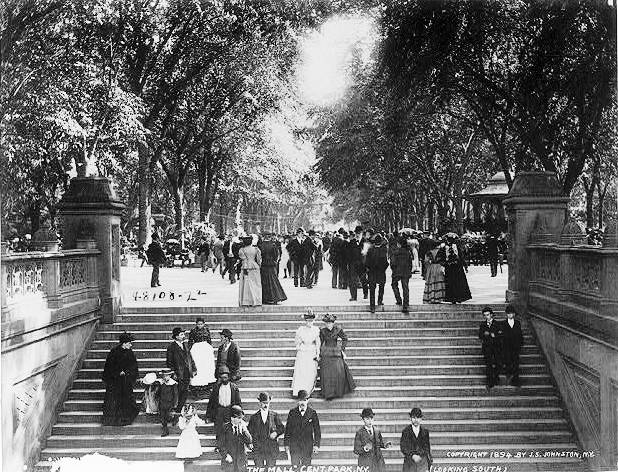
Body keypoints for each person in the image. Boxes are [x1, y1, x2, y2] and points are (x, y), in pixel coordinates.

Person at [101, 332, 139, 426]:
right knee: (114, 402)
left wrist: (128, 373)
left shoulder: (130, 353)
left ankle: (125, 419)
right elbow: (109, 367)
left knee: (127, 401)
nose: (131, 345)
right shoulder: (114, 352)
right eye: (129, 343)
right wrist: (118, 372)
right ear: (124, 343)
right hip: (115, 383)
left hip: (125, 382)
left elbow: (134, 366)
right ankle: (112, 421)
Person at [319, 313, 356, 399]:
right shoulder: (322, 331)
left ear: (333, 323)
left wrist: (342, 349)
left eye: (330, 323)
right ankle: (328, 393)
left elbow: (345, 338)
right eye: (327, 323)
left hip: (336, 352)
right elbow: (320, 342)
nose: (329, 325)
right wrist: (319, 352)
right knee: (327, 373)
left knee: (338, 371)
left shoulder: (337, 330)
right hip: (326, 352)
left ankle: (337, 392)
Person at [207, 366, 242, 447]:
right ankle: (219, 446)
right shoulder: (216, 387)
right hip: (220, 410)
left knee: (230, 429)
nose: (224, 379)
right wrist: (208, 415)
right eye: (222, 378)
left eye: (225, 377)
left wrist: (240, 413)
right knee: (219, 429)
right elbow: (211, 401)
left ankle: (229, 446)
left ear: (228, 377)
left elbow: (238, 400)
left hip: (230, 410)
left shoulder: (234, 387)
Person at [284, 390, 321, 466]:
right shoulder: (292, 412)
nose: (302, 402)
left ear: (308, 400)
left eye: (304, 400)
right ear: (298, 401)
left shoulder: (312, 413)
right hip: (294, 446)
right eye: (301, 400)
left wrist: (316, 445)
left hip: (307, 446)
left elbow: (317, 430)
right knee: (295, 467)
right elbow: (288, 429)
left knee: (306, 467)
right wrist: (286, 444)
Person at [248, 392, 285, 466]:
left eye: (267, 403)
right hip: (258, 448)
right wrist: (250, 442)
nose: (266, 405)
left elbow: (282, 428)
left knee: (271, 468)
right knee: (259, 468)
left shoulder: (274, 415)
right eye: (264, 403)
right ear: (260, 403)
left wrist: (276, 433)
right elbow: (249, 431)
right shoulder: (254, 417)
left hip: (271, 448)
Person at [166, 327, 196, 412]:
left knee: (185, 391)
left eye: (184, 334)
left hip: (186, 372)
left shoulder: (185, 345)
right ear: (176, 336)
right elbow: (169, 362)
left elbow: (190, 358)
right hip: (178, 373)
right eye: (181, 334)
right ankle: (176, 409)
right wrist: (173, 372)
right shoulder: (171, 347)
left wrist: (193, 369)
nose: (184, 336)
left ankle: (179, 408)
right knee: (178, 391)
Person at [291, 310, 321, 397]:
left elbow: (318, 343)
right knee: (302, 370)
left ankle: (308, 390)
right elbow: (297, 341)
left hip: (311, 351)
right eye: (308, 321)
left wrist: (318, 354)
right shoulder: (301, 329)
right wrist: (299, 347)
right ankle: (299, 390)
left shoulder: (316, 330)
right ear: (305, 321)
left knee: (310, 371)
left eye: (311, 321)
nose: (310, 322)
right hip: (303, 351)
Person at [353, 408, 391, 472]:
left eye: (371, 418)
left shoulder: (377, 431)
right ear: (363, 419)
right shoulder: (359, 433)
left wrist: (384, 445)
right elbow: (356, 450)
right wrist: (365, 448)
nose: (370, 421)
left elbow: (380, 443)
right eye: (367, 419)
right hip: (365, 463)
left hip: (378, 462)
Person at [219, 405, 253, 472]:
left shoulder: (242, 428)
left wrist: (244, 429)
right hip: (229, 460)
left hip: (241, 461)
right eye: (235, 417)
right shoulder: (225, 428)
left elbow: (249, 440)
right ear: (231, 418)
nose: (237, 420)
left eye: (239, 418)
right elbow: (221, 444)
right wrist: (226, 455)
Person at [441, 235, 472, 303]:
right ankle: (457, 297)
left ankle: (455, 298)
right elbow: (461, 256)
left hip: (453, 267)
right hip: (454, 267)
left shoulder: (449, 247)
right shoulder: (451, 247)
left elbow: (460, 256)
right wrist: (465, 266)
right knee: (456, 282)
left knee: (454, 282)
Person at [188, 318, 216, 393]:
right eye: (198, 324)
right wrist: (189, 349)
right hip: (197, 348)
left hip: (205, 348)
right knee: (198, 364)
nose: (200, 325)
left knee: (206, 365)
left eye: (201, 324)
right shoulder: (193, 331)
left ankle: (207, 383)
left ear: (204, 324)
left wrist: (210, 347)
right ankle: (197, 384)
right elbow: (190, 341)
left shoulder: (207, 330)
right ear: (196, 324)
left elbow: (209, 340)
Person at [400, 408, 432, 472]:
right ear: (410, 419)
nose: (416, 420)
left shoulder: (425, 432)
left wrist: (428, 461)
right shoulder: (406, 431)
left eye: (418, 418)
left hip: (422, 462)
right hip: (409, 463)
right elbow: (403, 447)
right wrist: (412, 455)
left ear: (421, 419)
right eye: (414, 418)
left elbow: (427, 447)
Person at [259, 233, 287, 305]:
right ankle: (275, 297)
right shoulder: (273, 245)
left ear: (263, 237)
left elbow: (259, 256)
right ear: (269, 237)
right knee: (273, 280)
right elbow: (276, 255)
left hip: (264, 264)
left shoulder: (261, 245)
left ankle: (265, 298)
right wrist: (274, 262)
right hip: (271, 264)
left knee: (264, 281)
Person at [479, 307, 502, 390]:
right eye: (485, 315)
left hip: (496, 347)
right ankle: (490, 381)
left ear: (491, 315)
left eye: (488, 315)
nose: (486, 317)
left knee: (498, 363)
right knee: (488, 364)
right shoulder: (483, 324)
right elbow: (480, 335)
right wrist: (485, 334)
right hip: (487, 347)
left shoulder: (497, 324)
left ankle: (496, 377)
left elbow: (500, 335)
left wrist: (494, 335)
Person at [500, 305, 523, 387]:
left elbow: (520, 334)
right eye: (508, 314)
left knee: (516, 363)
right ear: (506, 314)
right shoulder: (503, 323)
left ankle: (516, 380)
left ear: (514, 314)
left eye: (511, 313)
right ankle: (508, 375)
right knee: (508, 361)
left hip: (515, 346)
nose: (510, 315)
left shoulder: (517, 323)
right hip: (507, 346)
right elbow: (502, 335)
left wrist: (520, 344)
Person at [365, 234, 389, 313]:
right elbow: (386, 262)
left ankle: (372, 306)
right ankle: (379, 301)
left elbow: (366, 262)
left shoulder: (370, 249)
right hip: (381, 272)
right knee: (381, 287)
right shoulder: (383, 250)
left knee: (372, 289)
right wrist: (383, 269)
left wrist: (369, 269)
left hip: (372, 272)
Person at [390, 237, 413, 313]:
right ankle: (405, 305)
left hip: (397, 272)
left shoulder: (395, 252)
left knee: (394, 284)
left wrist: (394, 270)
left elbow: (392, 263)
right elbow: (410, 263)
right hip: (406, 272)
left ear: (399, 244)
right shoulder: (408, 252)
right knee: (405, 287)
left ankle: (399, 299)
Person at [238, 235, 262, 306]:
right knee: (256, 284)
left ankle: (247, 301)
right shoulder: (256, 249)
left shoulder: (242, 250)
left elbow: (244, 259)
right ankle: (257, 300)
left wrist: (245, 267)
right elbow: (258, 259)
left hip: (246, 267)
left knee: (246, 284)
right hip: (255, 267)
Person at [422, 240, 446, 304]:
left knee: (432, 281)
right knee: (439, 281)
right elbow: (444, 260)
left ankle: (432, 297)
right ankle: (438, 298)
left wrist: (428, 267)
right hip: (439, 266)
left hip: (432, 267)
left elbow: (426, 261)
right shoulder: (441, 251)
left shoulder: (429, 252)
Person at [156, 368, 178, 437]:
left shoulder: (173, 384)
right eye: (164, 376)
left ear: (170, 376)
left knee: (168, 416)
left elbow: (176, 394)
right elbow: (158, 393)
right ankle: (165, 430)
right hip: (162, 403)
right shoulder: (161, 383)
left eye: (167, 376)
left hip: (169, 403)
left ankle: (174, 419)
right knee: (162, 417)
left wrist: (175, 404)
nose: (165, 377)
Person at [346, 229, 364, 301]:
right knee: (354, 280)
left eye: (359, 233)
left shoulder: (363, 242)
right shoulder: (354, 243)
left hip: (357, 264)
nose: (357, 234)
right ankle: (354, 296)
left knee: (355, 281)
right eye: (357, 233)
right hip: (355, 264)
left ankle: (357, 296)